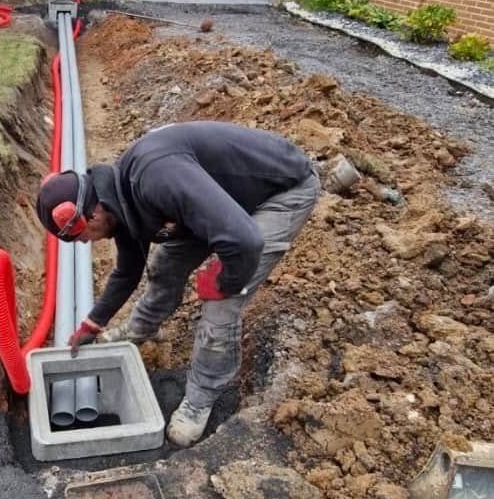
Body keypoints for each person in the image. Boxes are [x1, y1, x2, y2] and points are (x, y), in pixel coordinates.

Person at [35, 121, 320, 447]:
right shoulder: (119, 198)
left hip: (281, 191)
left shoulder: (155, 179)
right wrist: (93, 322)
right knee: (165, 263)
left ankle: (201, 398)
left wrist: (225, 280)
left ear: (94, 212)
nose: (85, 243)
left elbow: (245, 241)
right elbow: (128, 271)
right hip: (226, 201)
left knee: (221, 301)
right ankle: (141, 329)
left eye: (81, 235)